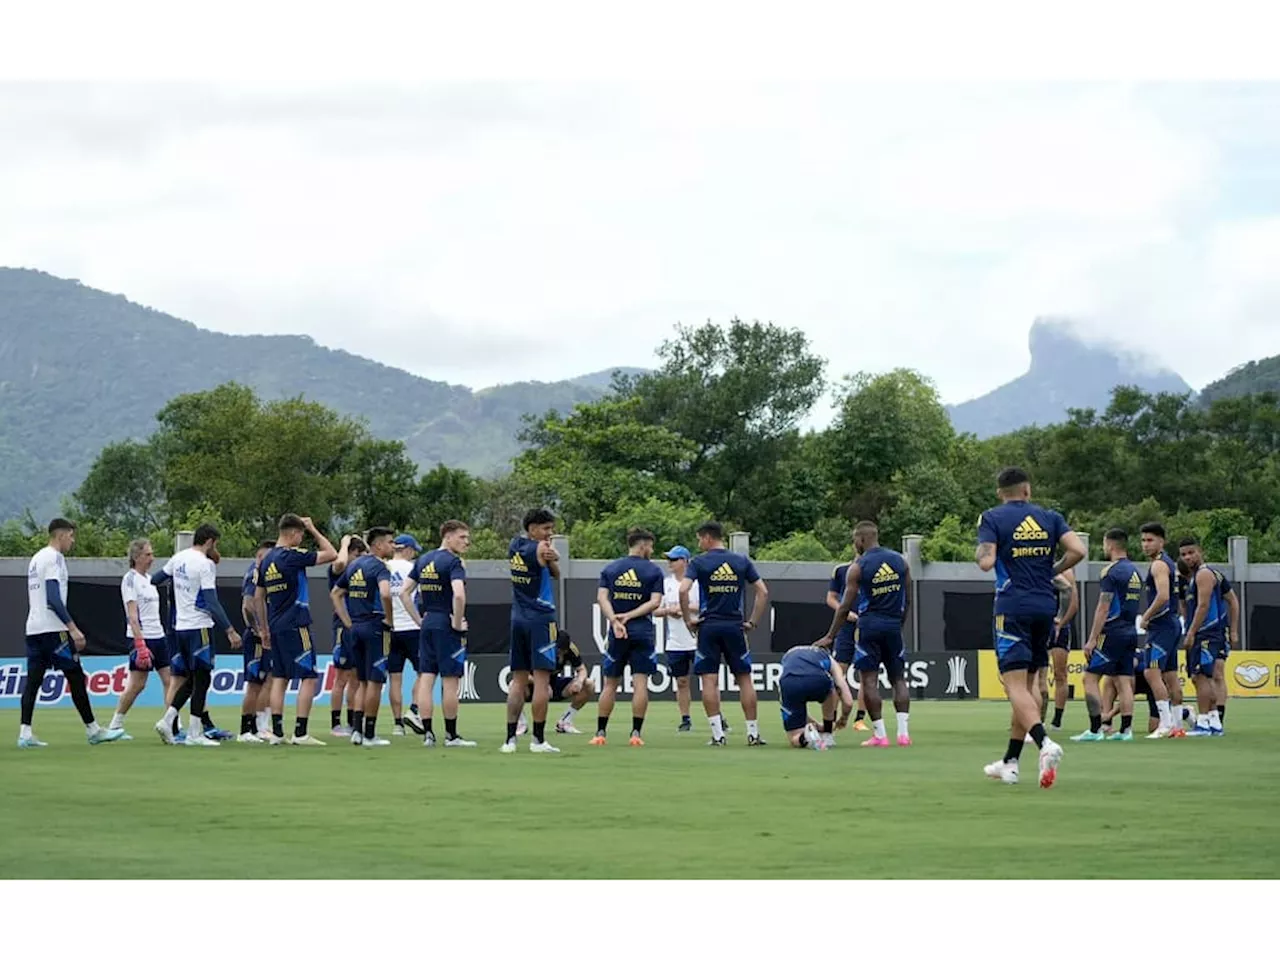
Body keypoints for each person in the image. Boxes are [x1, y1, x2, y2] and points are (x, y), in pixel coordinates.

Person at [976, 467, 1083, 788]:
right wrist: (1053, 568)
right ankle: (1010, 762)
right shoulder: (1049, 518)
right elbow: (1078, 550)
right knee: (1034, 680)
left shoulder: (992, 518)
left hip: (1012, 607)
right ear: (1028, 490)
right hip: (1044, 607)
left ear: (1000, 493)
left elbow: (986, 562)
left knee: (1014, 685)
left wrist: (986, 550)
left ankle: (1044, 743)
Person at [18, 518, 127, 748]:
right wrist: (73, 628)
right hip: (53, 630)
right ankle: (93, 730)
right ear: (61, 535)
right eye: (71, 536)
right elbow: (53, 597)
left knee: (34, 681)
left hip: (34, 628)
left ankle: (25, 733)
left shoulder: (36, 558)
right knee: (75, 676)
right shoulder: (54, 558)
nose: (73, 540)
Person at [820, 521, 912, 747]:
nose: (855, 545)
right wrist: (900, 624)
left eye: (855, 541)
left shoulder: (859, 566)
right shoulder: (900, 561)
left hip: (869, 626)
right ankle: (904, 734)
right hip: (893, 626)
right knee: (898, 678)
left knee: (869, 679)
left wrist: (831, 635)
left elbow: (844, 606)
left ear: (861, 539)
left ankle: (880, 735)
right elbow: (909, 598)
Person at [679, 521, 769, 747]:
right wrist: (753, 622)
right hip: (734, 626)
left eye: (700, 539)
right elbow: (762, 591)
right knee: (745, 678)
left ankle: (718, 735)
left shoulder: (699, 562)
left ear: (708, 538)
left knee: (709, 679)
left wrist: (688, 619)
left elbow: (683, 589)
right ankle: (753, 733)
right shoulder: (740, 561)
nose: (699, 543)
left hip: (708, 626)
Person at [152, 524, 242, 747]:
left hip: (180, 628)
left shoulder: (178, 558)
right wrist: (229, 629)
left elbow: (155, 579)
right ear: (210, 541)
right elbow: (211, 600)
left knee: (191, 679)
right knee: (202, 678)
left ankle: (168, 720)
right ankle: (194, 733)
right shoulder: (204, 564)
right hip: (199, 626)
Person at [255, 514, 337, 746]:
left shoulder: (266, 560)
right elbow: (331, 554)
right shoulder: (292, 556)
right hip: (297, 622)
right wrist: (314, 529)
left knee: (279, 677)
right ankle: (300, 732)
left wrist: (264, 629)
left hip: (276, 625)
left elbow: (258, 597)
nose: (302, 538)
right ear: (292, 533)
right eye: (301, 533)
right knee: (309, 676)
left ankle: (278, 732)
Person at [403, 520, 476, 748]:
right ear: (448, 536)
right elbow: (459, 595)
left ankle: (428, 734)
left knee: (426, 678)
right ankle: (451, 736)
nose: (467, 542)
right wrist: (456, 622)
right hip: (446, 623)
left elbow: (404, 592)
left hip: (428, 623)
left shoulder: (423, 560)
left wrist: (419, 620)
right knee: (450, 681)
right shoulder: (453, 562)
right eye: (462, 537)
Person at [591, 528, 665, 747]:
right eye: (651, 546)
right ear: (643, 546)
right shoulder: (653, 571)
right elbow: (655, 602)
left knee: (609, 684)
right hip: (642, 631)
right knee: (640, 683)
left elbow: (602, 598)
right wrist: (629, 617)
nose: (652, 551)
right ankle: (635, 734)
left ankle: (600, 733)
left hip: (617, 633)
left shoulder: (611, 569)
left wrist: (615, 620)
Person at [501, 508, 562, 755]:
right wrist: (552, 555)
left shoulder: (514, 546)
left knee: (517, 680)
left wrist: (552, 559)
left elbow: (554, 572)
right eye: (546, 528)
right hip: (541, 619)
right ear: (533, 528)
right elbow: (554, 564)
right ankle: (538, 740)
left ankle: (509, 740)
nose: (550, 533)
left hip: (518, 617)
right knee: (541, 681)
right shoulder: (541, 549)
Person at [1072, 528, 1142, 742]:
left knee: (1089, 678)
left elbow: (1104, 607)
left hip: (1111, 632)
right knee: (1123, 681)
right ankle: (1126, 731)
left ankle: (1095, 730)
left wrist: (1093, 639)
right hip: (1131, 631)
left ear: (1110, 545)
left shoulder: (1110, 572)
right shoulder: (1135, 571)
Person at [331, 527, 396, 747]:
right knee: (375, 682)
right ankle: (369, 734)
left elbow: (336, 594)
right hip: (375, 626)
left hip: (355, 628)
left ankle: (357, 731)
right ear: (378, 545)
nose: (393, 546)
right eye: (390, 542)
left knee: (360, 682)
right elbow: (386, 593)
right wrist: (389, 618)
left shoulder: (354, 565)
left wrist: (348, 622)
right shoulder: (379, 567)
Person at [107, 539, 171, 740]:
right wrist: (140, 643)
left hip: (159, 635)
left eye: (152, 554)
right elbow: (132, 614)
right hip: (142, 638)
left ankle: (171, 725)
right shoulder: (130, 579)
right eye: (147, 555)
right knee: (137, 684)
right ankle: (115, 724)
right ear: (136, 557)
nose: (152, 558)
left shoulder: (150, 580)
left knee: (170, 681)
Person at [1179, 537, 1238, 737]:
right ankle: (1214, 721)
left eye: (1191, 552)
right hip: (1209, 633)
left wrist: (1191, 632)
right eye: (1184, 554)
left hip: (1207, 633)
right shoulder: (1197, 577)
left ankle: (1204, 722)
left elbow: (1204, 606)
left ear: (1200, 551)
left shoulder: (1204, 574)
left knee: (1202, 676)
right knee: (1204, 677)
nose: (1188, 557)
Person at [1137, 522, 1181, 738]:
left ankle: (1165, 724)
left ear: (1161, 542)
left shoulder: (1158, 565)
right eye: (1143, 540)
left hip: (1162, 625)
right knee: (1171, 675)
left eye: (1150, 540)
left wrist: (1146, 617)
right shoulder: (1169, 563)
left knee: (1151, 671)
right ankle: (1177, 723)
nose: (1145, 545)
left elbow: (1163, 596)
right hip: (1172, 623)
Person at [516, 630, 595, 736]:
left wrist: (579, 682)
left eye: (563, 651)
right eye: (558, 650)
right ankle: (522, 724)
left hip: (554, 684)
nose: (560, 654)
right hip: (533, 685)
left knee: (589, 684)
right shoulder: (539, 648)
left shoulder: (571, 649)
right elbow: (522, 674)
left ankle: (565, 722)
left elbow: (582, 669)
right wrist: (541, 684)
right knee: (514, 686)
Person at [778, 644, 855, 750]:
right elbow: (848, 700)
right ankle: (827, 735)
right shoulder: (828, 658)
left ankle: (806, 736)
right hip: (818, 680)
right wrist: (844, 718)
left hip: (790, 682)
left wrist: (814, 725)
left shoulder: (789, 653)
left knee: (794, 737)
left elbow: (796, 712)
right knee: (831, 690)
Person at [824, 548, 868, 733]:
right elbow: (831, 598)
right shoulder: (841, 570)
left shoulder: (873, 570)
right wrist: (844, 612)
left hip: (867, 626)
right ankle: (831, 717)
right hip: (845, 628)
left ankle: (860, 719)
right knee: (838, 672)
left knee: (866, 674)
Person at [237, 539, 277, 743]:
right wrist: (258, 630)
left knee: (268, 680)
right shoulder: (255, 573)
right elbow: (247, 606)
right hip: (257, 638)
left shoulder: (265, 573)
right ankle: (247, 729)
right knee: (255, 683)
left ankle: (261, 725)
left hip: (266, 634)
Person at [656, 546, 699, 733]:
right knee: (681, 681)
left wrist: (685, 609)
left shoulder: (697, 583)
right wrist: (669, 611)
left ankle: (717, 716)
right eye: (669, 560)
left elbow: (703, 605)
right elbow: (656, 609)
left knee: (709, 680)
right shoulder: (666, 584)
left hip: (698, 639)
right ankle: (685, 718)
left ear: (685, 561)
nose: (670, 563)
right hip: (675, 641)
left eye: (674, 559)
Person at [386, 533, 424, 736]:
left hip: (391, 629)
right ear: (408, 549)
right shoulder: (412, 569)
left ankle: (397, 724)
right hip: (412, 627)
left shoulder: (384, 567)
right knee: (423, 673)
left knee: (395, 678)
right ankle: (414, 709)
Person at [327, 535, 365, 738]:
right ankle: (335, 724)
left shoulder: (359, 572)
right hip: (343, 627)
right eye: (356, 555)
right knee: (340, 678)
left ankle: (352, 722)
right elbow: (340, 561)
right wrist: (344, 543)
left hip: (359, 626)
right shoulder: (338, 570)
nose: (359, 559)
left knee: (356, 678)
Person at [1046, 570, 1078, 731]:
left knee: (1060, 673)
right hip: (1039, 623)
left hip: (1060, 627)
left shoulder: (1066, 572)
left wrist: (1061, 622)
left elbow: (1074, 603)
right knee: (1035, 673)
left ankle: (1057, 720)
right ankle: (1035, 719)